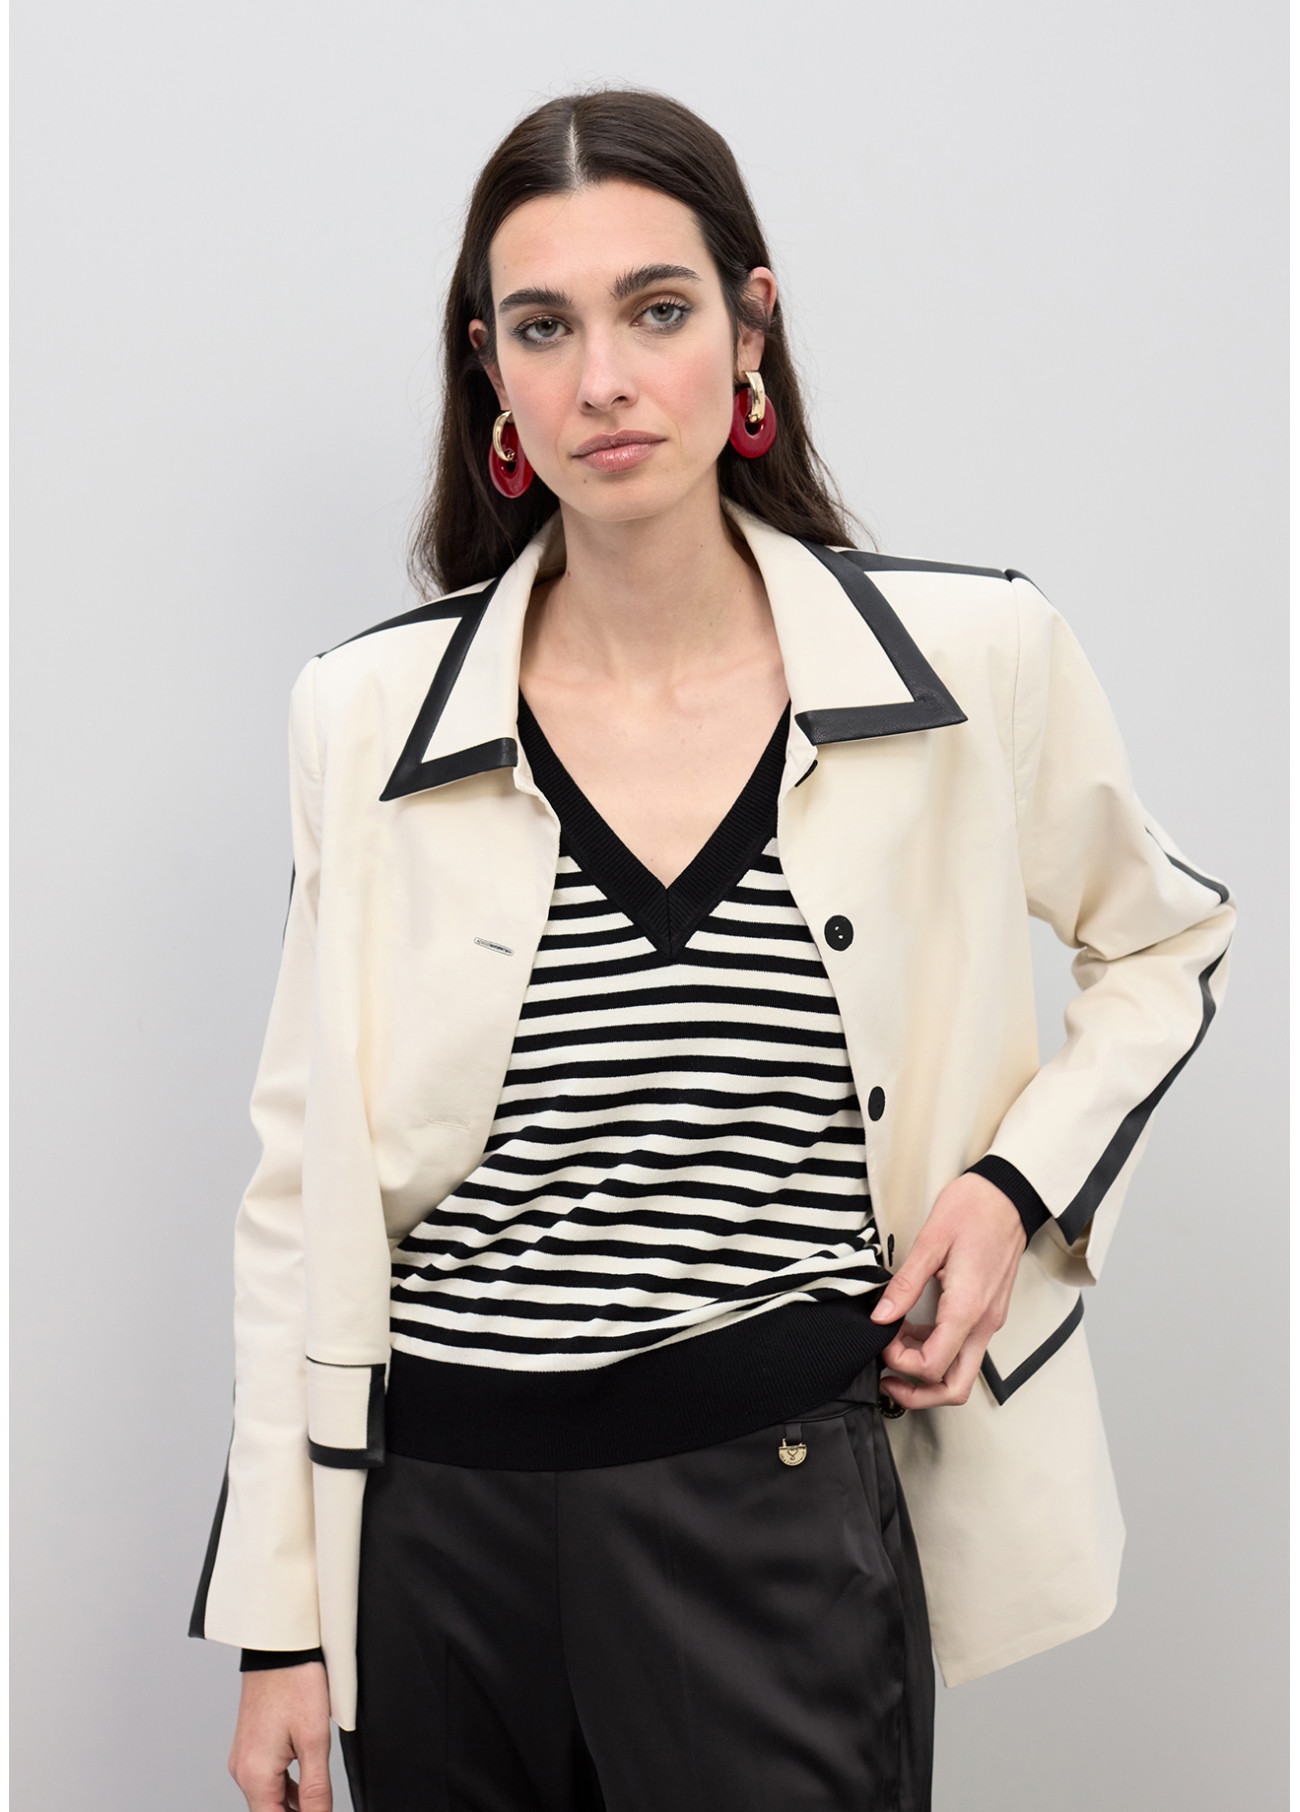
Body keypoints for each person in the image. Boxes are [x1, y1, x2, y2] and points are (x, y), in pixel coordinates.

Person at [190, 88, 1236, 1812]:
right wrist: (279, 1625)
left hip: (773, 1520)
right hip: (434, 1539)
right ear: (491, 373)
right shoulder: (366, 714)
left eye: (657, 310)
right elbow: (299, 1189)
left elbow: (1167, 941)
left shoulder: (968, 662)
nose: (603, 378)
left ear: (752, 330)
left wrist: (1010, 1192)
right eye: (545, 327)